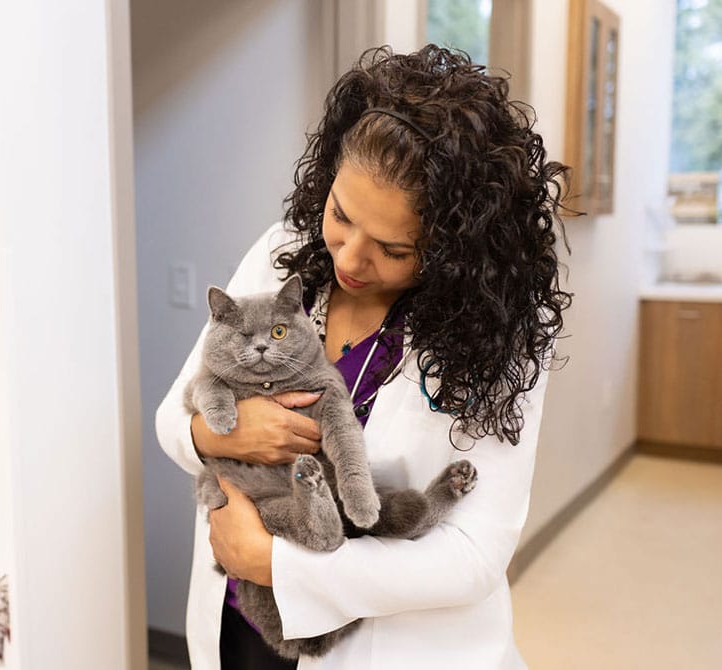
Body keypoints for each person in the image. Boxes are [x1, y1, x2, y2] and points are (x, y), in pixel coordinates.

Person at [156, 44, 571, 669]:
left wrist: (275, 561)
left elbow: (474, 556)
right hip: (241, 619)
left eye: (393, 249)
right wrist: (223, 435)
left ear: (456, 247)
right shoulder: (282, 256)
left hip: (391, 648)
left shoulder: (500, 330)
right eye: (340, 215)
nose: (349, 259)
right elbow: (171, 420)